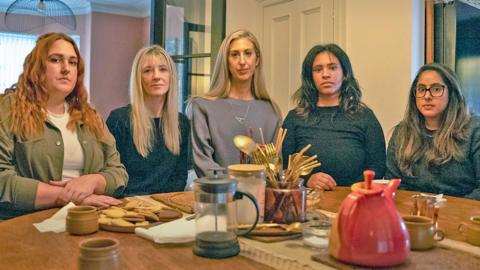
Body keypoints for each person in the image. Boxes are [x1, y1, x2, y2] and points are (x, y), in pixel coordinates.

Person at [0, 32, 128, 220]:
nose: (66, 69)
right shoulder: (8, 109)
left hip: (89, 219)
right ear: (37, 67)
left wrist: (92, 181)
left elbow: (118, 172)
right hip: (25, 222)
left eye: (73, 62)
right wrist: (66, 196)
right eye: (55, 60)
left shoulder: (91, 116)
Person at [282, 44, 385, 190]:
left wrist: (354, 189)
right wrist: (306, 179)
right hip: (309, 201)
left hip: (356, 200)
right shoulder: (294, 118)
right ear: (310, 77)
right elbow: (285, 167)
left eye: (332, 67)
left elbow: (377, 166)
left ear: (344, 73)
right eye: (318, 69)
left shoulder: (365, 117)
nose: (325, 74)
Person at [190, 29, 282, 177]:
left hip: (259, 198)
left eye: (248, 53)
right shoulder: (203, 107)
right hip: (218, 197)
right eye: (234, 54)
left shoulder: (271, 111)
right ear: (225, 61)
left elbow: (275, 169)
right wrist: (236, 190)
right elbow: (203, 163)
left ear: (257, 59)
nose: (242, 61)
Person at [386, 63, 480, 199]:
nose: (427, 96)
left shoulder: (474, 130)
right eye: (421, 89)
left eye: (436, 89)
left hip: (460, 214)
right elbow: (393, 184)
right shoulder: (402, 132)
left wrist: (448, 211)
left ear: (452, 92)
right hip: (413, 214)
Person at [107, 45, 190, 196]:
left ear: (171, 76)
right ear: (138, 78)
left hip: (167, 206)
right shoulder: (119, 120)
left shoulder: (182, 123)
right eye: (148, 70)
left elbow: (179, 177)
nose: (156, 76)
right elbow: (112, 175)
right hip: (128, 207)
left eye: (163, 69)